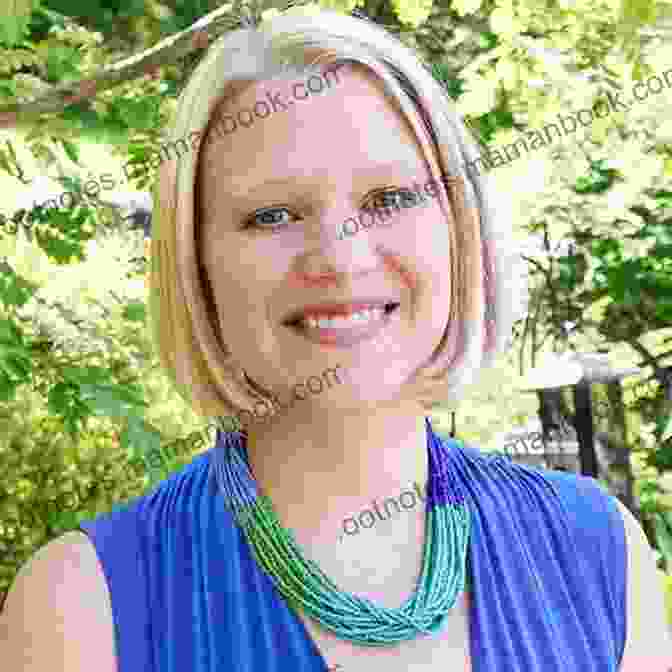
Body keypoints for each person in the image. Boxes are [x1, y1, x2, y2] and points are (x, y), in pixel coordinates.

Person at [2, 5, 671, 672]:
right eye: (272, 215)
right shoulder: (83, 608)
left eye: (388, 199)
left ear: (459, 231)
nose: (342, 259)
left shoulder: (598, 553)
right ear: (195, 264)